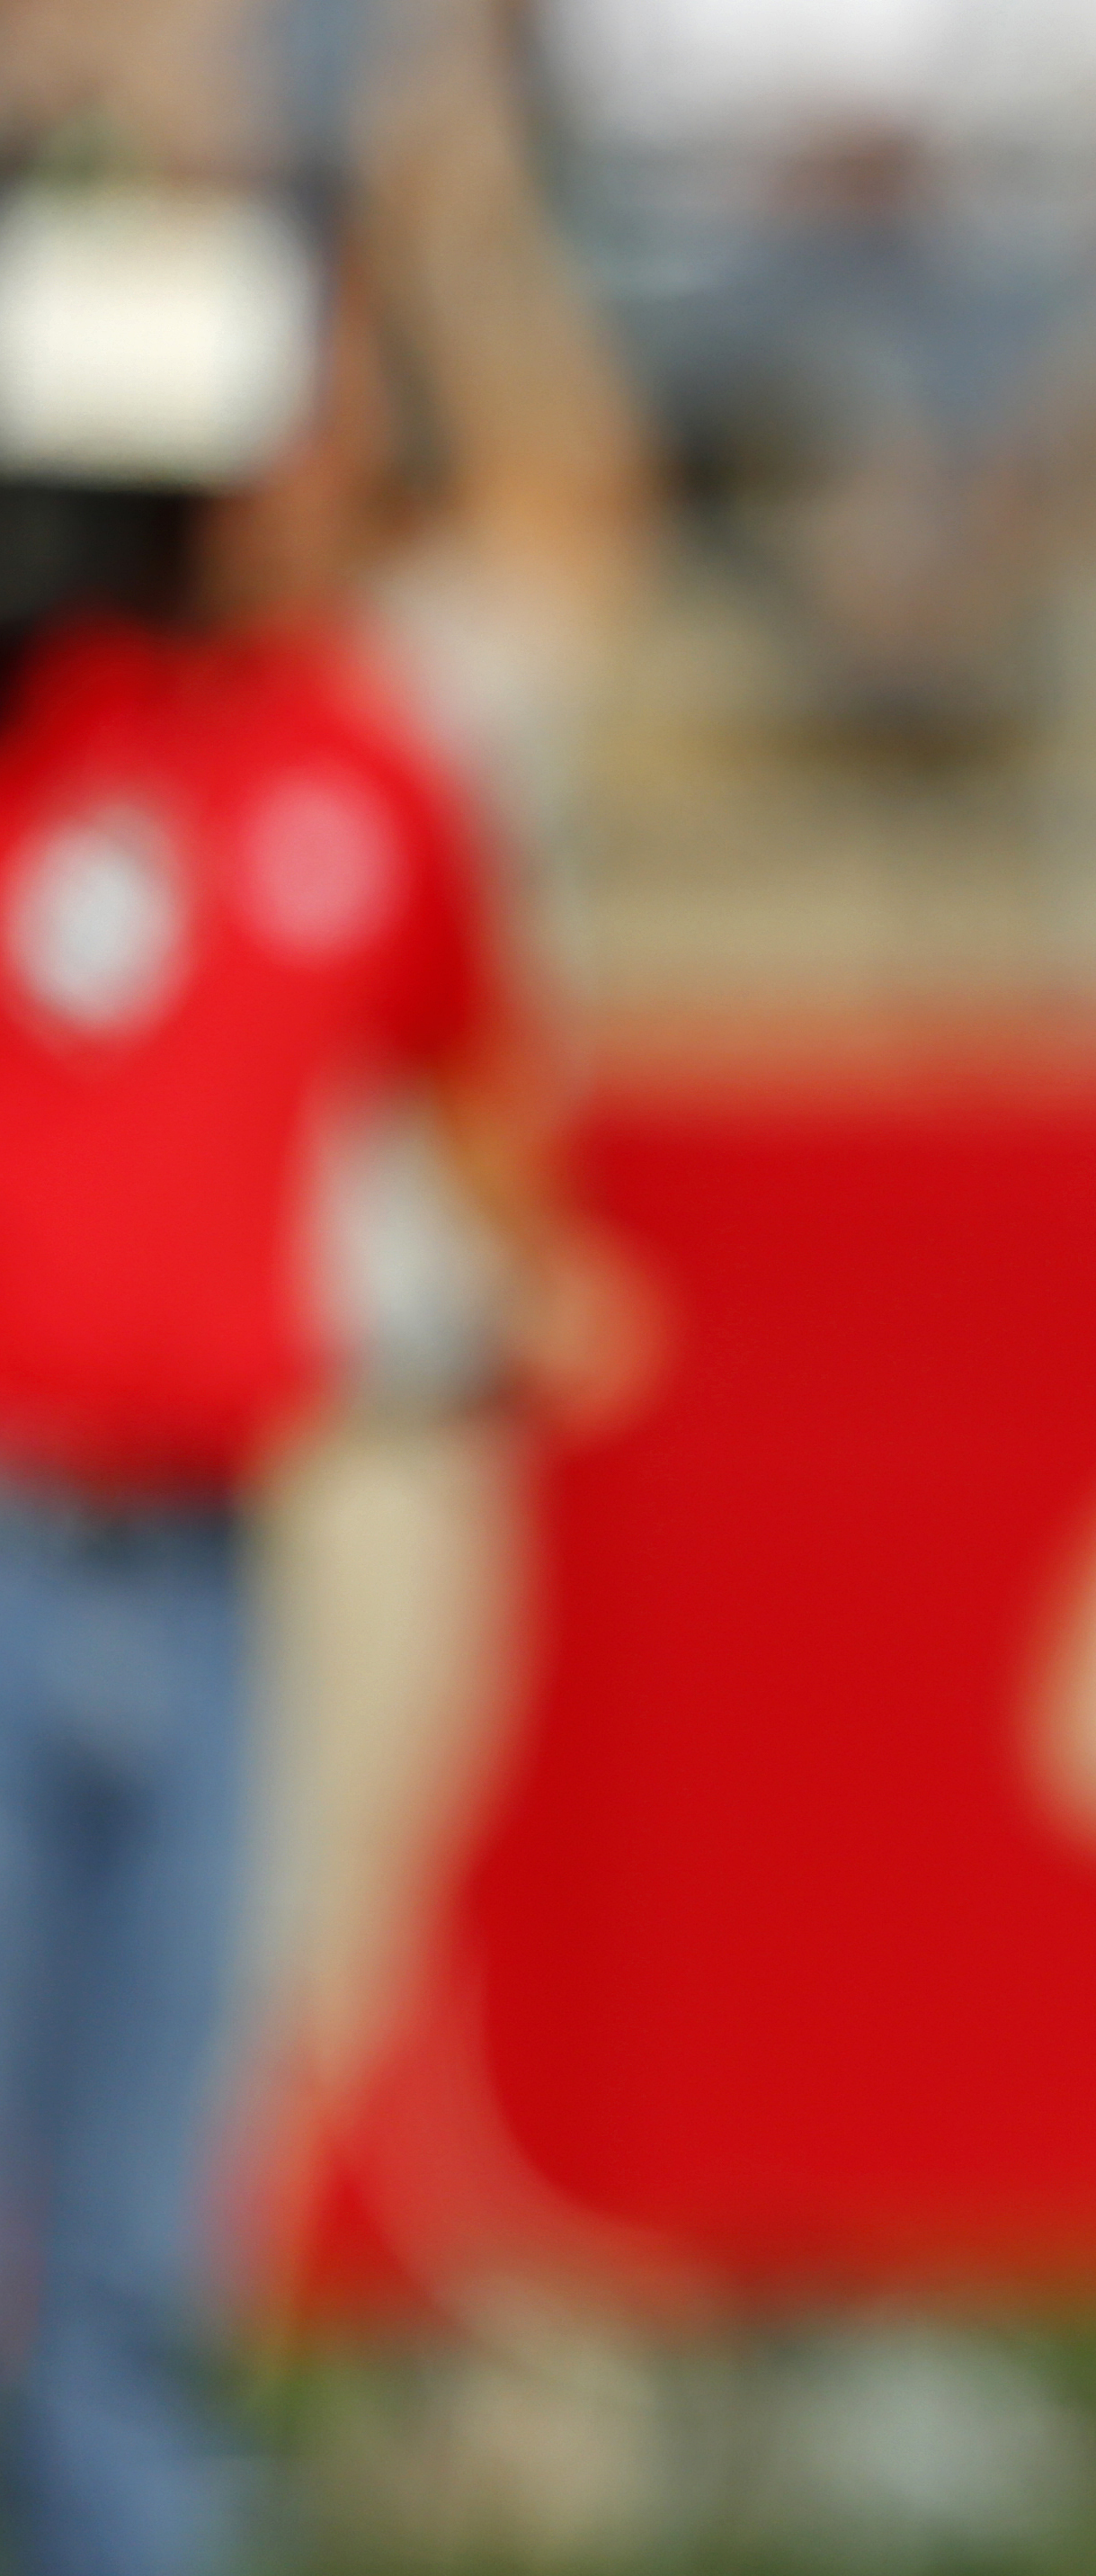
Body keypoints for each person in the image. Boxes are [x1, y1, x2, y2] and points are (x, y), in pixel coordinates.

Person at [0, 179, 608, 2576]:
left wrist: (516, 1275)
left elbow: (478, 1095)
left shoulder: (363, 766)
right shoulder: (47, 724)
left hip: (209, 1542)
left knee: (159, 2217)